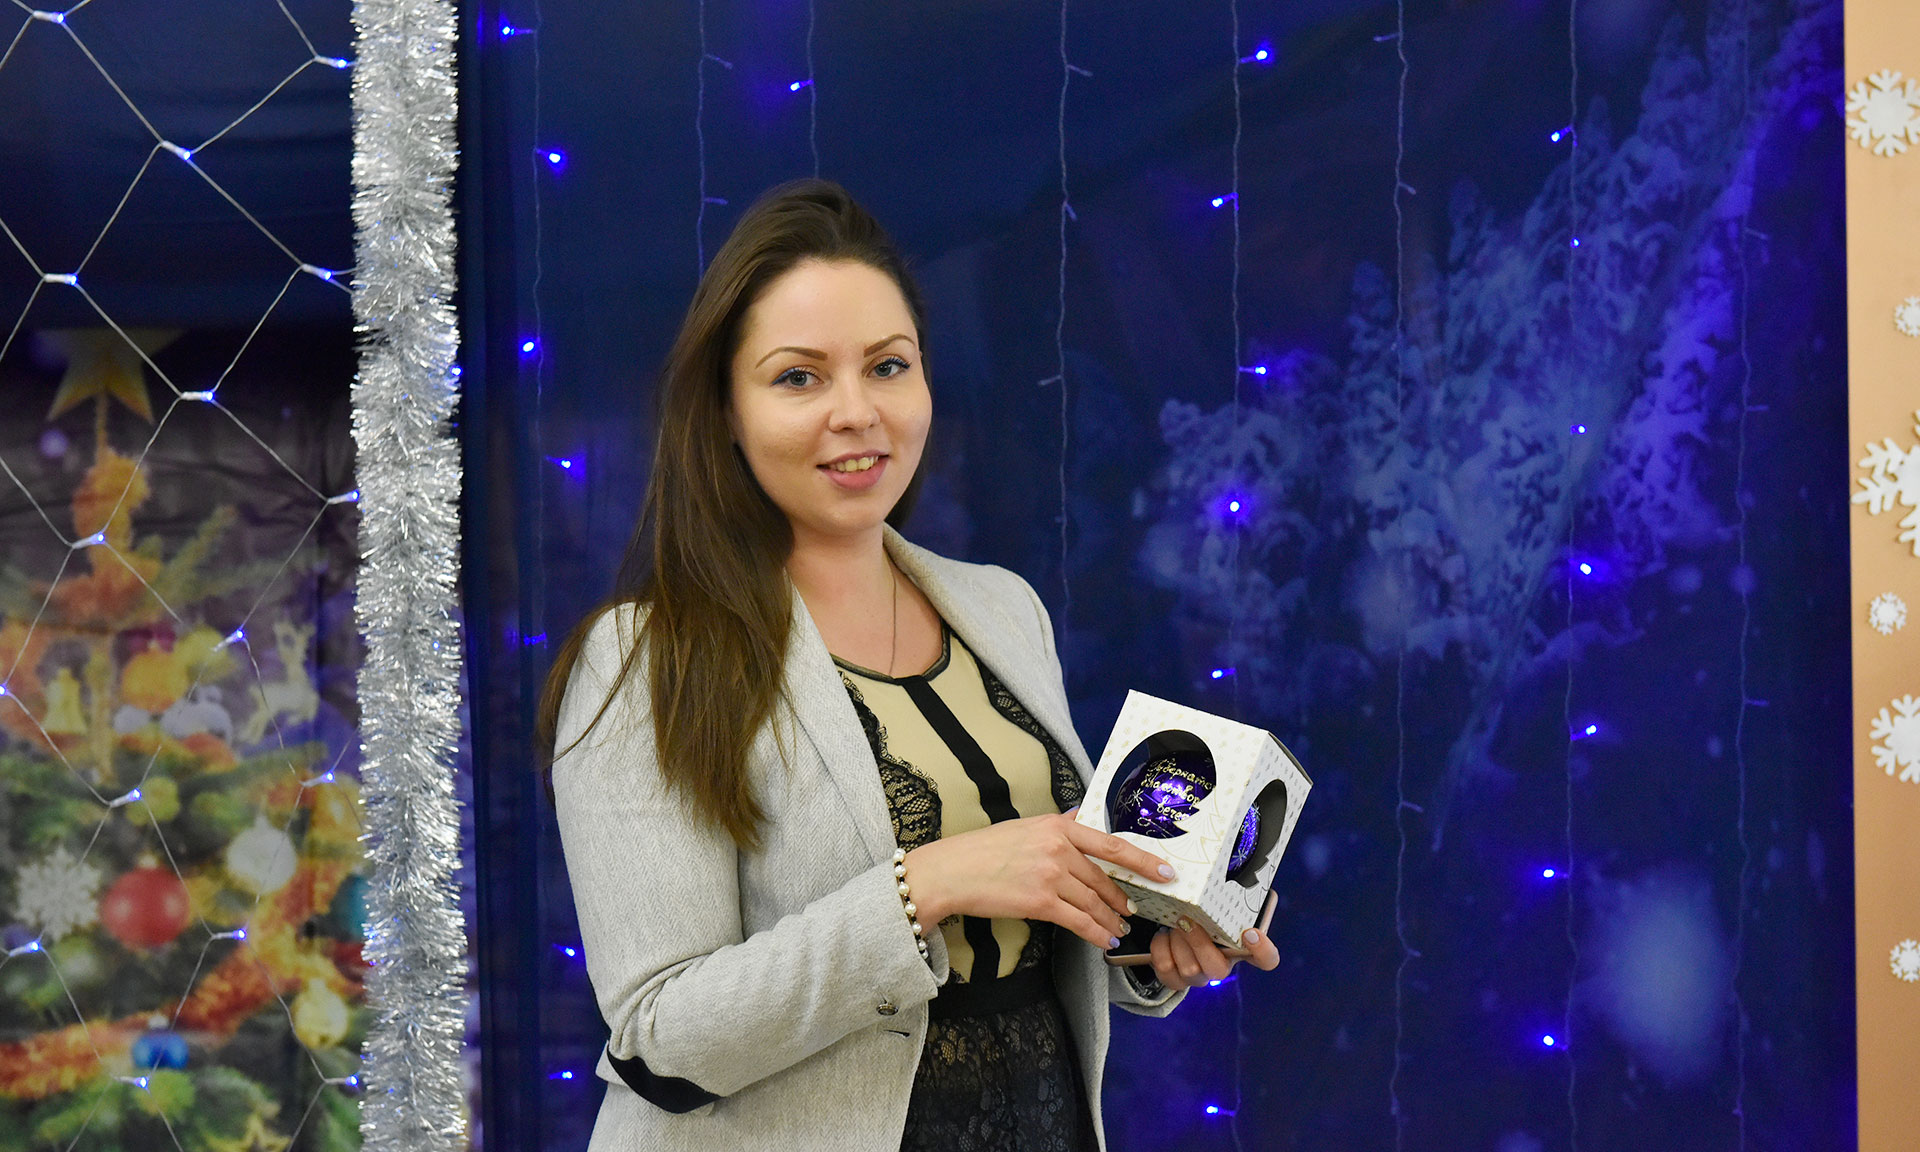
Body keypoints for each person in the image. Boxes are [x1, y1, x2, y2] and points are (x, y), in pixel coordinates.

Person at [539, 178, 1281, 1152]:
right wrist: (924, 883)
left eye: (888, 366)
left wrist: (1155, 947)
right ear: (723, 410)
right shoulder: (645, 660)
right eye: (798, 378)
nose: (857, 412)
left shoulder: (1002, 608)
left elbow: (1035, 933)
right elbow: (658, 1038)